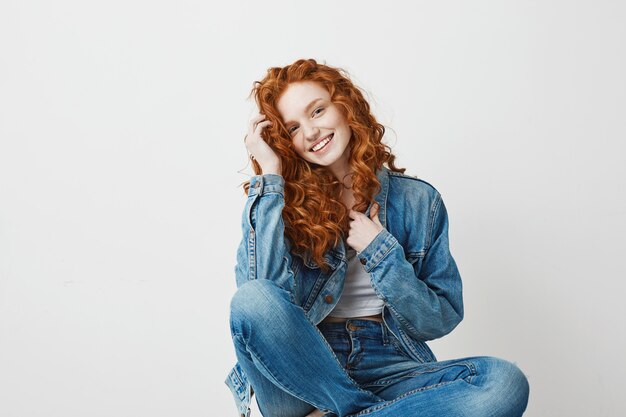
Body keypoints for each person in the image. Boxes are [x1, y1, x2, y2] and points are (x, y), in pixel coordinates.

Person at [225, 58, 529, 417]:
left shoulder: (418, 202)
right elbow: (259, 306)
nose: (310, 132)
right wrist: (271, 176)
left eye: (317, 111)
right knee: (251, 298)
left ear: (345, 106)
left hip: (392, 365)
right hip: (304, 375)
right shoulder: (282, 205)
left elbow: (439, 319)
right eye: (292, 128)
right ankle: (362, 410)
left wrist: (381, 253)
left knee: (503, 382)